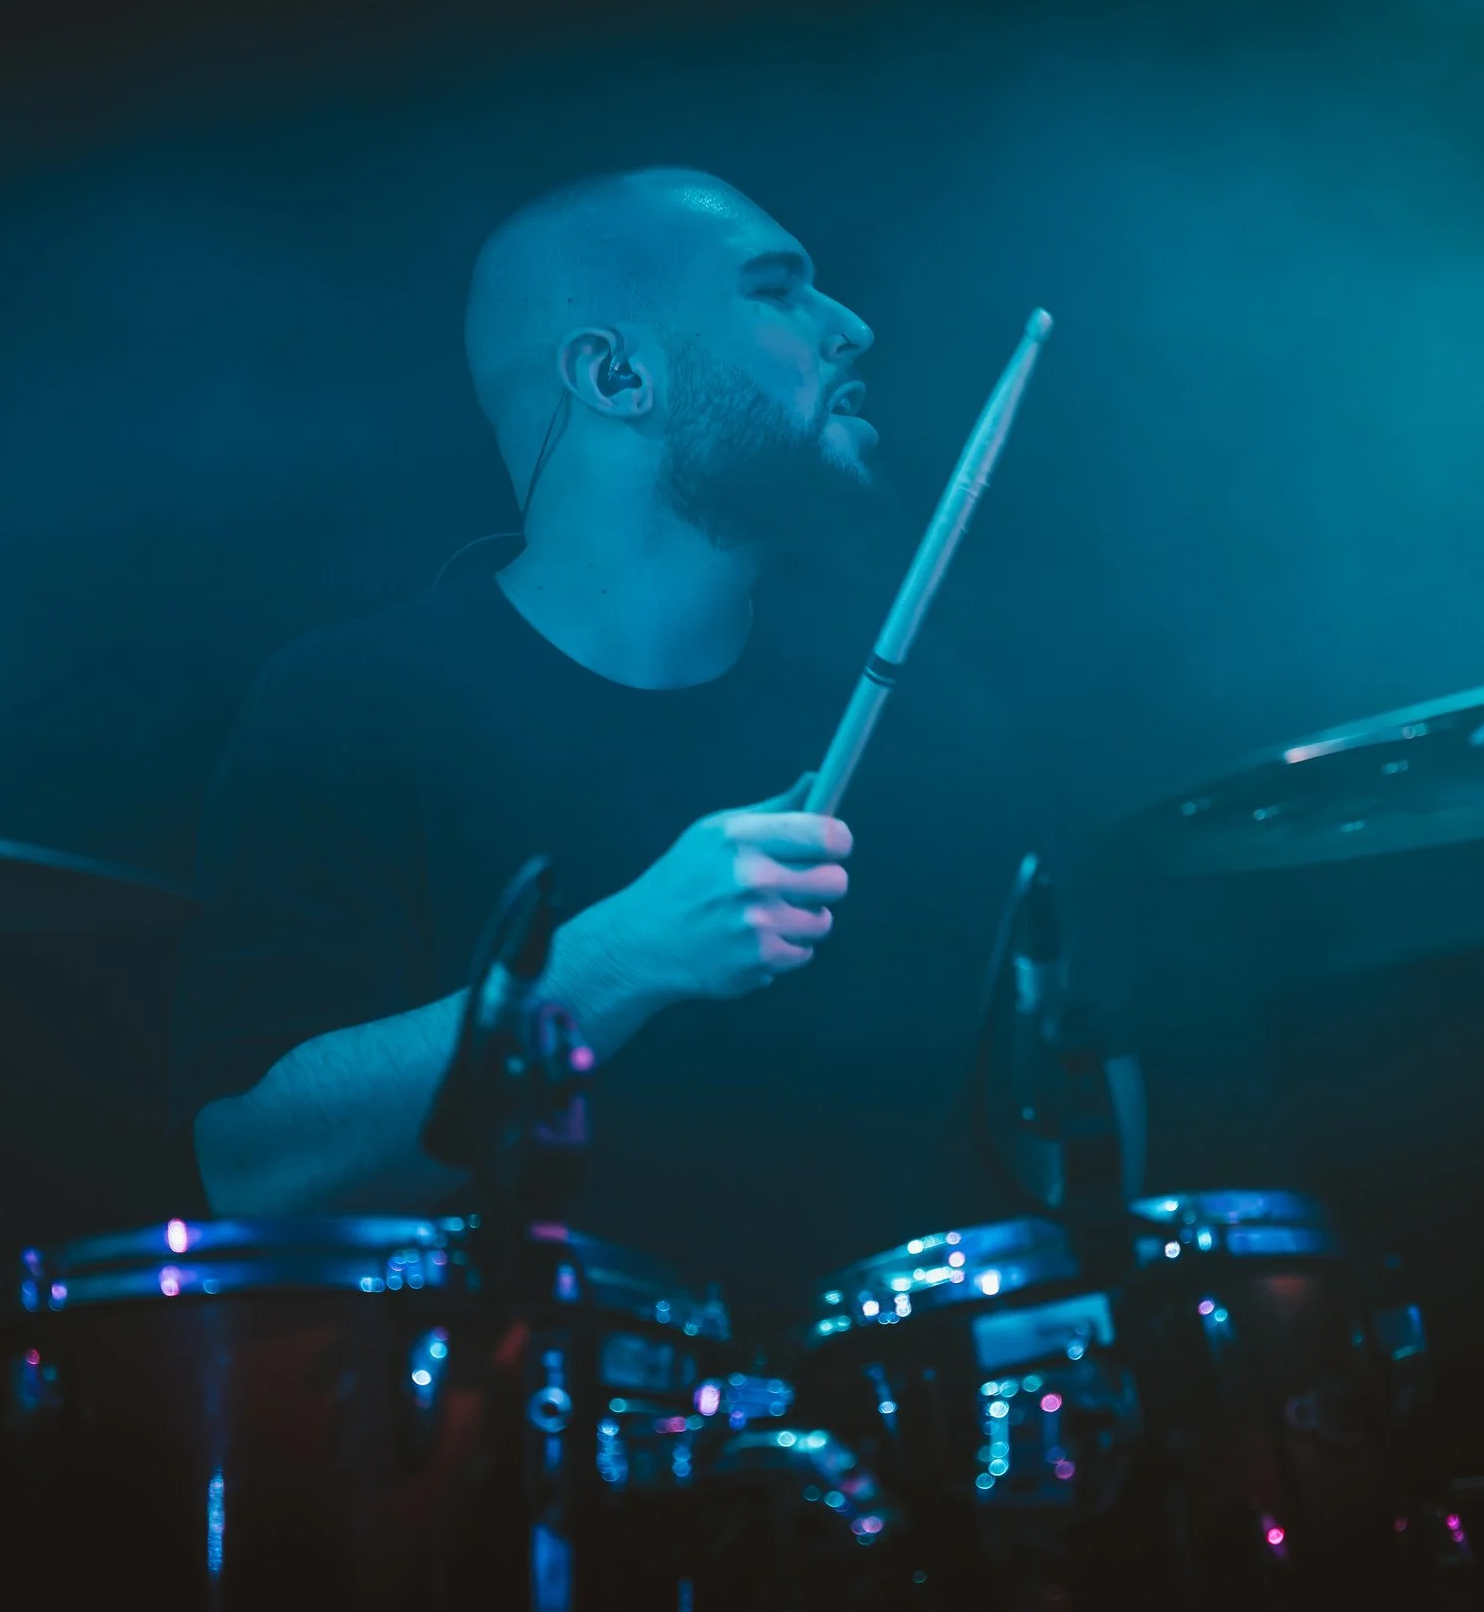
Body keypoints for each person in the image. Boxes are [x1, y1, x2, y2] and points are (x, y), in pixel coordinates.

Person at [173, 168, 1030, 1309]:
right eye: (777, 292)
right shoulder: (352, 703)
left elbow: (1054, 1142)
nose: (851, 327)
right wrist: (620, 956)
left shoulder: (925, 715)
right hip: (522, 1451)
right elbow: (252, 1168)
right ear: (614, 374)